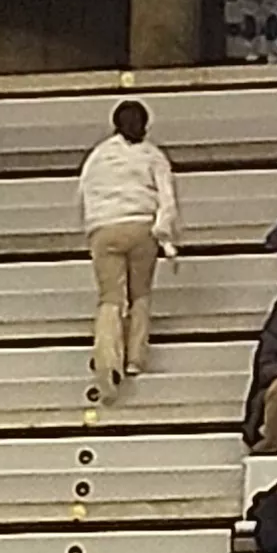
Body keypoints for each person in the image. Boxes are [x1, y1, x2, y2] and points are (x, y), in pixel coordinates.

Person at [79, 99, 178, 396]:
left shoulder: (98, 156)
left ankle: (109, 360)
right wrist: (165, 235)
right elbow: (167, 199)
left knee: (110, 298)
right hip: (141, 227)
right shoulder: (153, 156)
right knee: (140, 295)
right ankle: (136, 357)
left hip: (104, 228)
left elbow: (83, 192)